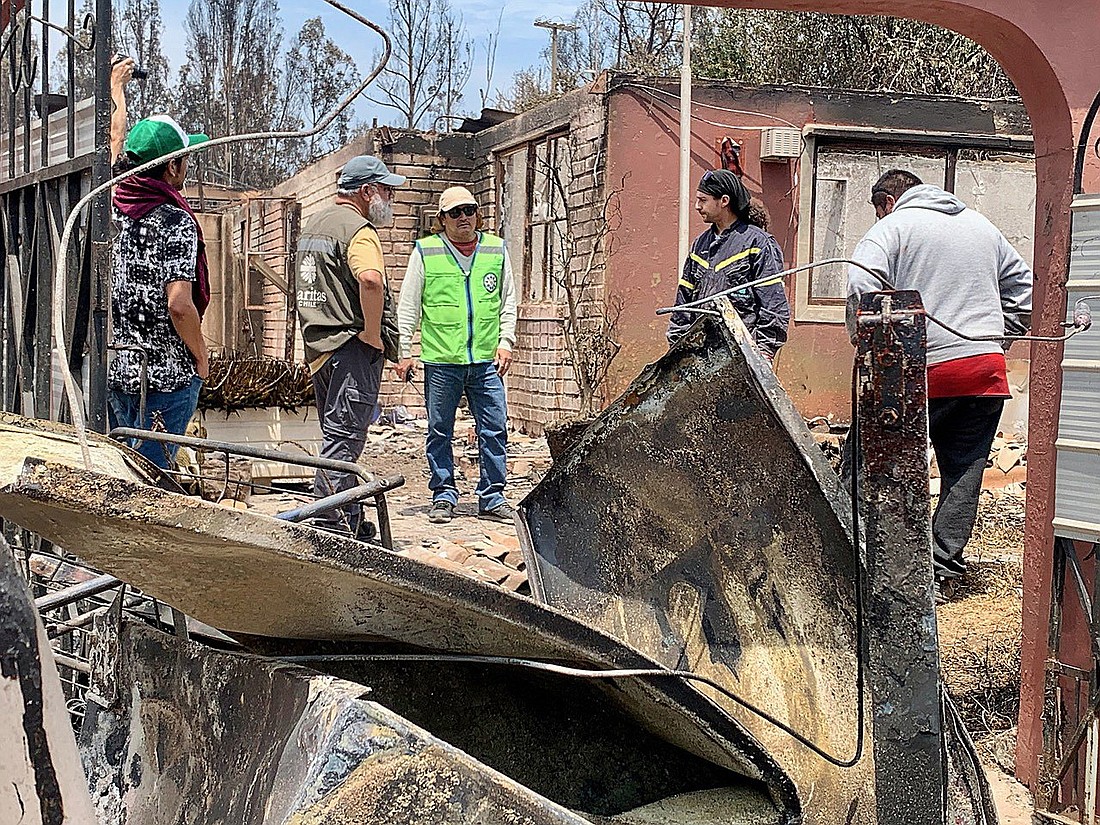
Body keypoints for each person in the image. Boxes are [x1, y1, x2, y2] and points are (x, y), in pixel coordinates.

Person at [846, 168, 1033, 589]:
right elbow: (1025, 292)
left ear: (887, 203)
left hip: (917, 372)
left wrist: (868, 341)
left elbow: (861, 288)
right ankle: (942, 569)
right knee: (964, 472)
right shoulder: (982, 226)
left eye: (878, 212)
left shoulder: (892, 228)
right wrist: (996, 339)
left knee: (872, 465)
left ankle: (864, 559)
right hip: (984, 370)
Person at [296, 155, 406, 537]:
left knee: (336, 435)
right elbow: (371, 281)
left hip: (320, 350)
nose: (391, 199)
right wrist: (373, 334)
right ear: (367, 191)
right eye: (387, 191)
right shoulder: (358, 231)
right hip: (351, 348)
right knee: (343, 443)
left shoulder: (315, 225)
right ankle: (330, 525)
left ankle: (350, 519)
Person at [395, 186, 517, 525]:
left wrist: (506, 342)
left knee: (494, 428)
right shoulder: (426, 251)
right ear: (442, 220)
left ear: (478, 213)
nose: (463, 217)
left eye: (469, 210)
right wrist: (404, 351)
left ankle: (492, 497)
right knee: (439, 430)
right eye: (455, 213)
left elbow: (508, 301)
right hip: (442, 361)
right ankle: (444, 495)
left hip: (486, 361)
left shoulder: (495, 250)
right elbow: (409, 306)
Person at [108, 116, 212, 469]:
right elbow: (179, 305)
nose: (186, 168)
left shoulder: (114, 210)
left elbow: (113, 151)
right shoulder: (173, 220)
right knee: (150, 482)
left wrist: (115, 91)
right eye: (185, 160)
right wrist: (200, 355)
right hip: (166, 380)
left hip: (122, 372)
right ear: (172, 167)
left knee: (123, 475)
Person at [667, 169, 790, 361]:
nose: (697, 206)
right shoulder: (699, 245)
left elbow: (774, 305)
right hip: (701, 357)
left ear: (724, 201)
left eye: (703, 200)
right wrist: (677, 348)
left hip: (743, 356)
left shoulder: (758, 244)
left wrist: (764, 353)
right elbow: (683, 304)